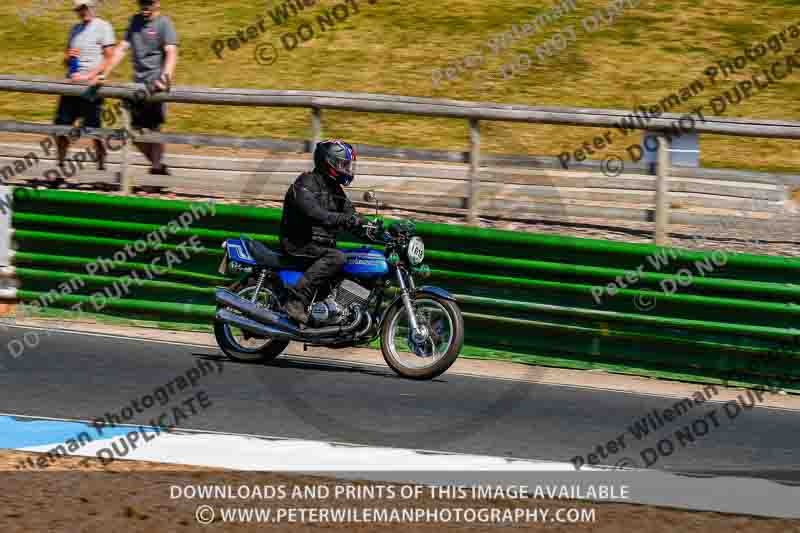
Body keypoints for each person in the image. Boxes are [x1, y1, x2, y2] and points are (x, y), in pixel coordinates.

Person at [280, 140, 365, 325]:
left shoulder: (335, 190)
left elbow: (351, 215)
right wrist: (344, 219)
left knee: (356, 257)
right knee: (337, 258)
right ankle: (296, 301)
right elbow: (317, 214)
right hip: (299, 244)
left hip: (320, 246)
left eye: (348, 165)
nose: (348, 169)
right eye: (344, 164)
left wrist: (374, 228)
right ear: (329, 163)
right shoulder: (304, 184)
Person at [101, 0, 178, 175]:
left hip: (156, 85)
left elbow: (172, 53)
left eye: (148, 2)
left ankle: (156, 170)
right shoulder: (134, 21)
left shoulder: (164, 23)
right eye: (141, 2)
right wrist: (104, 72)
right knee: (133, 132)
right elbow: (122, 49)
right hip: (137, 86)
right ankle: (158, 166)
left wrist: (165, 78)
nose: (144, 6)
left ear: (157, 3)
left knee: (154, 129)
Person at [52, 0, 116, 186]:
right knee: (60, 127)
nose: (83, 11)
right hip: (71, 85)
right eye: (80, 8)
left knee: (94, 130)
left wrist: (92, 75)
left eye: (85, 7)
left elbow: (109, 56)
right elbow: (66, 60)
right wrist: (68, 57)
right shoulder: (75, 29)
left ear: (93, 7)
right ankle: (61, 168)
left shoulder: (103, 27)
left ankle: (102, 170)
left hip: (91, 88)